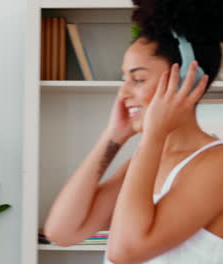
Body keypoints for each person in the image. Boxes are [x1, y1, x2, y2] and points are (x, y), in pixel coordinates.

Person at [43, 0, 223, 263]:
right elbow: (62, 231)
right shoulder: (146, 163)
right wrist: (113, 137)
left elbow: (125, 252)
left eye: (138, 79)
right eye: (123, 79)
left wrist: (153, 136)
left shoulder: (216, 166)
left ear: (187, 79)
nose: (123, 92)